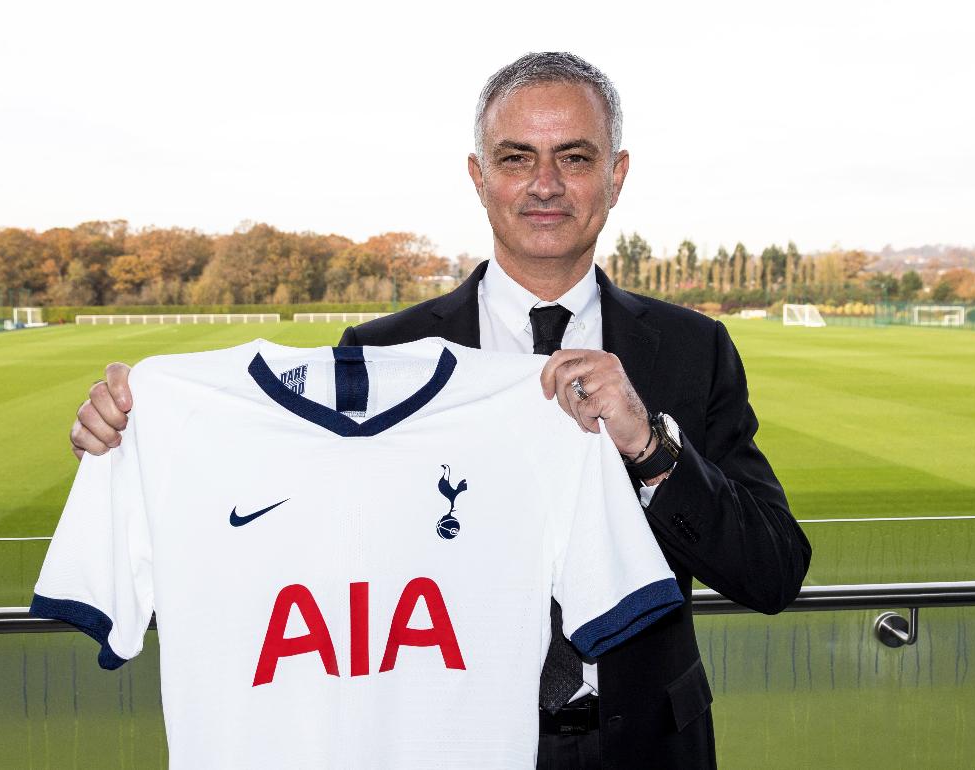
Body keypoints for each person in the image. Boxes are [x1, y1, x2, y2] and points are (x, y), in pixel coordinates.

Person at [71, 52, 811, 770]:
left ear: (616, 175)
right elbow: (289, 540)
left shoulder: (692, 350)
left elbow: (773, 572)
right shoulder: (379, 352)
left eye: (575, 158)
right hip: (438, 744)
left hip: (648, 745)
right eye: (516, 157)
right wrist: (135, 447)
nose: (545, 184)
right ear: (478, 176)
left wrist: (650, 448)